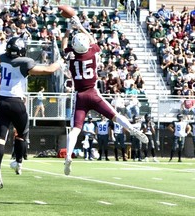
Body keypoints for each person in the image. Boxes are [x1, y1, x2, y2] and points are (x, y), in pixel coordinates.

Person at [62, 15, 148, 176]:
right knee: (114, 116)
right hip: (94, 93)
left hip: (80, 96)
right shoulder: (92, 52)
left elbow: (64, 44)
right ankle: (131, 128)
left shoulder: (71, 57)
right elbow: (92, 39)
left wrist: (68, 30)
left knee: (75, 129)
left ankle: (68, 155)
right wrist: (80, 26)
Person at [0, 36, 65, 189]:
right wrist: (60, 61)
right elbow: (48, 70)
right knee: (22, 133)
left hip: (2, 100)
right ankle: (18, 162)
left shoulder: (2, 58)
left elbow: (5, 59)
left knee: (1, 138)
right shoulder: (24, 62)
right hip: (16, 102)